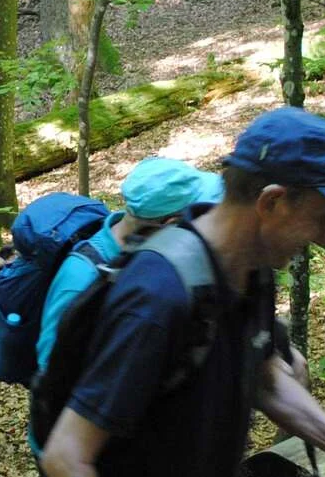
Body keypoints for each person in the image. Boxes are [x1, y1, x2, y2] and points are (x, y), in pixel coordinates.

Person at [39, 108, 325, 477]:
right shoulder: (158, 297)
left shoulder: (250, 270)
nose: (324, 238)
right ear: (272, 202)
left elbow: (268, 382)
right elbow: (67, 456)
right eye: (320, 217)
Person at [35, 157, 212, 373]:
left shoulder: (159, 254)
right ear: (171, 223)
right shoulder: (81, 276)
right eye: (194, 215)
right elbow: (50, 366)